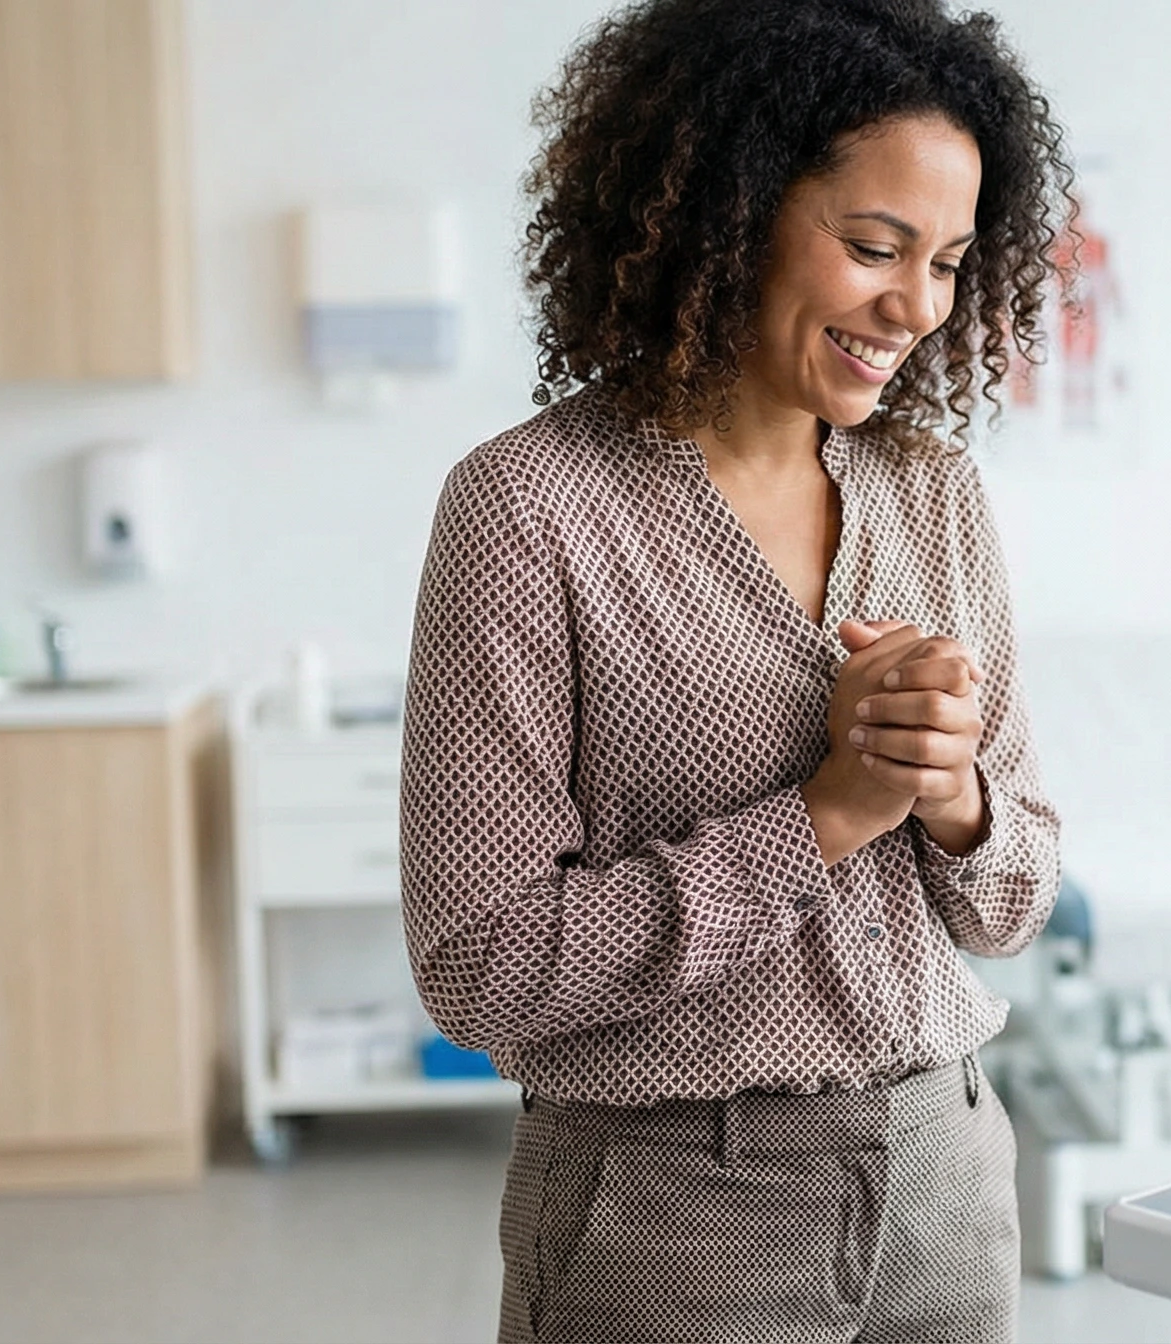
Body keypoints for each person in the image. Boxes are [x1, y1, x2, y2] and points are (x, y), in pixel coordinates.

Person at [397, 2, 1070, 1339]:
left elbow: (1016, 899)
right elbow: (483, 966)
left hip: (947, 1180)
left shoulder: (934, 494)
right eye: (874, 247)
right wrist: (822, 819)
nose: (915, 306)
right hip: (668, 1214)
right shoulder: (530, 512)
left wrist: (954, 804)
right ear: (728, 208)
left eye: (945, 261)